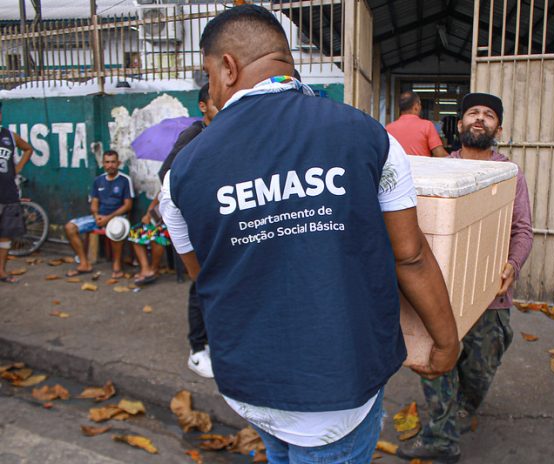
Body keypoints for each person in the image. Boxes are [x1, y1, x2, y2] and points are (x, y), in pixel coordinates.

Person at [160, 5, 460, 462]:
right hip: (341, 386)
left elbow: (208, 276)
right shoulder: (369, 137)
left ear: (228, 66)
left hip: (251, 383)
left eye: (209, 73)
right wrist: (445, 341)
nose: (213, 91)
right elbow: (411, 257)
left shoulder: (179, 174)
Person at [397, 93, 534, 463]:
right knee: (435, 364)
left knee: (479, 370)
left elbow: (522, 230)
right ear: (459, 125)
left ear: (498, 128)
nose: (479, 119)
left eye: (488, 115)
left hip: (491, 295)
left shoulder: (509, 175)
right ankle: (441, 438)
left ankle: (462, 406)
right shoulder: (437, 170)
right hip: (440, 296)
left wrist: (512, 265)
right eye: (472, 113)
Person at [158, 83, 219, 378]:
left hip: (217, 224)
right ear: (203, 107)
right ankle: (197, 350)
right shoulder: (194, 135)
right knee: (200, 286)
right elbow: (167, 176)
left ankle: (215, 343)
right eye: (216, 103)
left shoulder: (222, 133)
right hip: (196, 225)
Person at [65, 150, 134, 278]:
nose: (110, 165)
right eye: (107, 162)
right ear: (103, 164)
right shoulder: (98, 180)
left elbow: (128, 205)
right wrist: (96, 215)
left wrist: (108, 218)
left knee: (116, 229)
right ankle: (84, 263)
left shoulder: (125, 180)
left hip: (117, 217)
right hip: (100, 217)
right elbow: (94, 203)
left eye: (113, 162)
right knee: (70, 227)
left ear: (118, 163)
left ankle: (117, 264)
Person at [0, 101, 33, 283]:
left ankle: (2, 271)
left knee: (5, 236)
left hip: (8, 194)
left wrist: (18, 167)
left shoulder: (10, 136)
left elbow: (28, 149)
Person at [386, 91, 448, 157]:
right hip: (421, 167)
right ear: (416, 106)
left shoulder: (388, 129)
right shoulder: (427, 126)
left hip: (397, 167)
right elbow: (439, 154)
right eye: (420, 104)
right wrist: (455, 158)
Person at [127, 196, 170, 286]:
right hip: (159, 217)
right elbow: (156, 201)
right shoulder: (166, 185)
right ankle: (146, 268)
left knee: (157, 235)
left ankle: (154, 269)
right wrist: (148, 215)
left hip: (174, 220)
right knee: (135, 232)